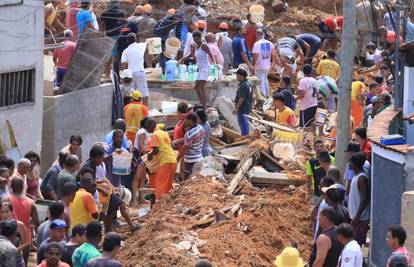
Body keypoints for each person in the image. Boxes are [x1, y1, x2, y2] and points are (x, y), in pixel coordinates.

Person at [6, 176, 39, 263]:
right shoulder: (31, 203)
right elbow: (37, 223)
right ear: (23, 187)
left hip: (9, 236)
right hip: (25, 238)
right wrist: (36, 239)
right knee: (23, 262)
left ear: (11, 186)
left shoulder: (5, 200)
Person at [180, 31, 214, 107]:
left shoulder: (204, 46)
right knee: (196, 87)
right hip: (200, 68)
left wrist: (215, 64)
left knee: (201, 87)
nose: (196, 41)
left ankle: (205, 105)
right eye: (195, 39)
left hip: (205, 68)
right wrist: (181, 60)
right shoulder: (195, 46)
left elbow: (211, 54)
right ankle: (202, 103)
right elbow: (190, 55)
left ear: (200, 38)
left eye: (197, 39)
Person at [147, 123, 177, 199]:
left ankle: (159, 204)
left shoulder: (155, 134)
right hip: (173, 160)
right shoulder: (164, 133)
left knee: (160, 185)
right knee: (168, 186)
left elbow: (156, 150)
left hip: (165, 162)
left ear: (150, 127)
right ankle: (167, 206)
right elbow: (172, 146)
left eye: (147, 128)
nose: (148, 131)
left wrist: (150, 155)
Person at [348, 152, 370, 246]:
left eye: (350, 162)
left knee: (357, 243)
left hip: (360, 219)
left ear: (355, 164)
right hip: (356, 218)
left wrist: (357, 216)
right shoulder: (356, 175)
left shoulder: (361, 178)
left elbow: (364, 198)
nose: (349, 164)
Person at [120, 33, 149, 106]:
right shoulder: (141, 45)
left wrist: (124, 76)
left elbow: (123, 64)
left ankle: (131, 109)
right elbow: (148, 42)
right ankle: (145, 111)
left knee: (131, 93)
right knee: (144, 93)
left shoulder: (125, 51)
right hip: (140, 72)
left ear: (127, 41)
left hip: (130, 75)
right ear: (136, 39)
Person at [177, 113, 205, 180]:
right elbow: (192, 140)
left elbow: (186, 147)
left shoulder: (189, 133)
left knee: (188, 182)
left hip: (190, 162)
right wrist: (176, 141)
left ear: (191, 120)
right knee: (197, 180)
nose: (185, 122)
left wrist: (177, 158)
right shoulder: (201, 128)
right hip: (199, 159)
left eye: (186, 120)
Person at [306, 140, 335, 204]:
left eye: (321, 146)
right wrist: (308, 193)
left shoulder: (332, 159)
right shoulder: (310, 161)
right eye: (317, 147)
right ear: (314, 148)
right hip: (317, 192)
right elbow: (309, 178)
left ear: (324, 147)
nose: (319, 148)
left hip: (329, 192)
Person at [253, 28, 275, 97]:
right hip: (267, 66)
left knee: (261, 82)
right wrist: (273, 64)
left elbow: (255, 56)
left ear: (257, 35)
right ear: (263, 34)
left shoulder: (257, 44)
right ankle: (267, 95)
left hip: (260, 66)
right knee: (265, 80)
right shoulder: (270, 43)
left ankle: (263, 97)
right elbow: (274, 54)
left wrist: (253, 65)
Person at [233, 68, 253, 136]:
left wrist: (236, 108)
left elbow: (241, 98)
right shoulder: (249, 82)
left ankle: (245, 136)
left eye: (237, 75)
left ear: (242, 76)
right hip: (248, 106)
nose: (236, 77)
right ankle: (246, 135)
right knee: (245, 122)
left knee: (242, 122)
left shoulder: (243, 85)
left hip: (243, 108)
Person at [298, 64, 318, 129]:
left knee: (304, 127)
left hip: (306, 107)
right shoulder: (315, 81)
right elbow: (317, 93)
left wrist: (297, 97)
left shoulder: (302, 81)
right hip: (314, 105)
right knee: (312, 126)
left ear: (303, 71)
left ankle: (306, 139)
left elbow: (302, 95)